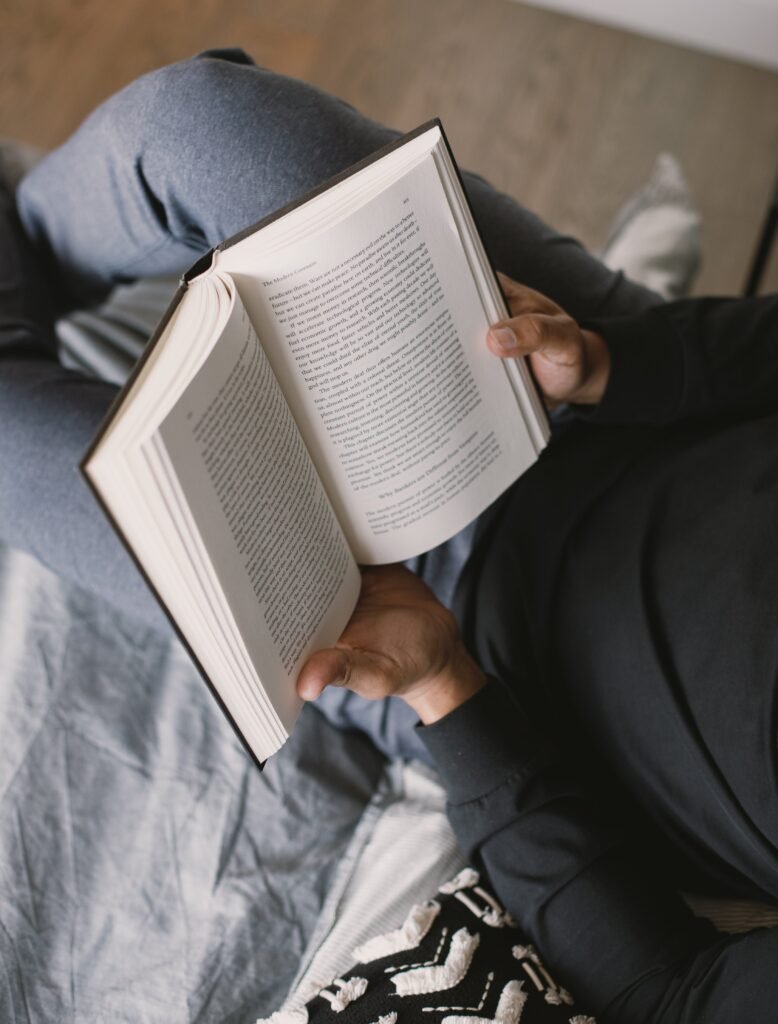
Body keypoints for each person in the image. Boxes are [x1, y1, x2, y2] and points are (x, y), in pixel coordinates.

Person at [2, 47, 777, 1022]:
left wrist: (441, 682)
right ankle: (27, 260)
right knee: (197, 119)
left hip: (462, 634)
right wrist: (607, 361)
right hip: (584, 389)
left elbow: (664, 993)